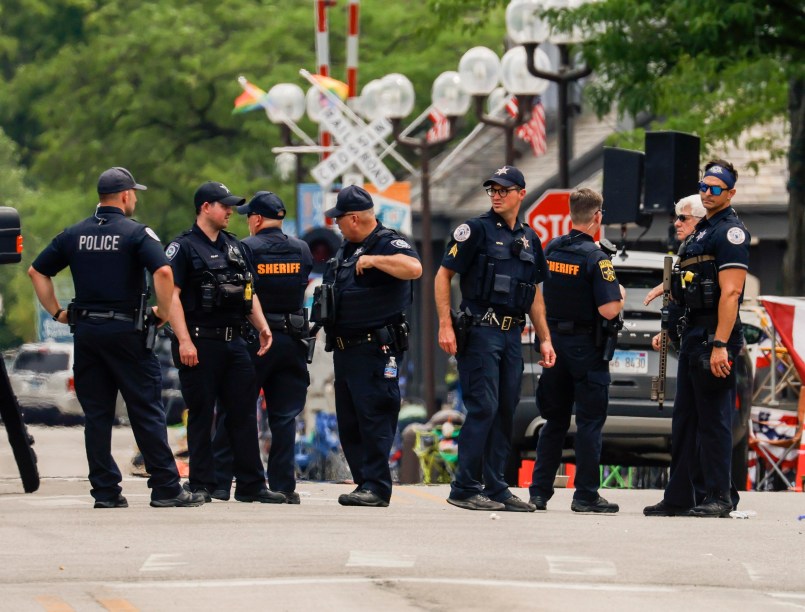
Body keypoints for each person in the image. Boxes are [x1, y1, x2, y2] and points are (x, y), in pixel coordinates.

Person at [28, 167, 205, 508]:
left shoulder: (74, 234)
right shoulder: (136, 233)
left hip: (88, 333)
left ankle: (106, 492)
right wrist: (164, 312)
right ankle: (166, 488)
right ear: (125, 196)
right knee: (145, 409)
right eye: (134, 193)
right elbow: (164, 271)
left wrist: (57, 313)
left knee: (96, 415)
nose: (135, 198)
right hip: (127, 332)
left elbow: (37, 271)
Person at [435, 165, 555, 512]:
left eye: (504, 190)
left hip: (512, 334)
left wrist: (544, 339)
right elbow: (443, 277)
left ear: (521, 193)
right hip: (481, 331)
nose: (497, 195)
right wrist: (445, 323)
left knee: (505, 410)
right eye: (493, 190)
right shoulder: (473, 230)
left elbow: (532, 292)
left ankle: (496, 486)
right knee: (483, 407)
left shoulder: (530, 239)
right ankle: (464, 486)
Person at [165, 180, 284, 504]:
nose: (230, 210)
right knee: (202, 415)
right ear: (206, 207)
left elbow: (248, 291)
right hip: (200, 344)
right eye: (224, 205)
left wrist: (261, 326)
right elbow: (170, 298)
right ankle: (202, 484)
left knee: (244, 414)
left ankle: (251, 485)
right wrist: (184, 341)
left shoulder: (234, 246)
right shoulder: (183, 247)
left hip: (234, 344)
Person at [644, 159, 750, 518]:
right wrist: (669, 324)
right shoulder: (701, 231)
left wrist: (721, 345)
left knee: (714, 421)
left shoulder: (730, 233)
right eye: (704, 186)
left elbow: (731, 294)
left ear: (730, 193)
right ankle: (679, 497)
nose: (707, 192)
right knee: (685, 421)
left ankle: (719, 496)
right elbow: (686, 284)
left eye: (715, 188)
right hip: (692, 335)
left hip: (712, 337)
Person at [314, 185, 422, 507]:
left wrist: (376, 260)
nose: (336, 225)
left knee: (375, 416)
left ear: (356, 218)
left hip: (376, 350)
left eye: (340, 218)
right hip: (346, 350)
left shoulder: (388, 242)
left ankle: (377, 486)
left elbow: (414, 269)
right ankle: (365, 482)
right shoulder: (346, 249)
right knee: (350, 421)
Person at [211, 191, 313, 503]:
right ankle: (283, 486)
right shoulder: (302, 249)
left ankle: (220, 481)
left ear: (255, 219)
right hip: (293, 339)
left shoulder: (246, 247)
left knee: (236, 409)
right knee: (284, 416)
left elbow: (241, 289)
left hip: (256, 338)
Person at [528, 187, 625, 513]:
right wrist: (621, 292)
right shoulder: (597, 259)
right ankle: (585, 495)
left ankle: (539, 493)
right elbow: (610, 309)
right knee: (588, 423)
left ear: (572, 214)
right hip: (586, 348)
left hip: (553, 344)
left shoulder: (552, 248)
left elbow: (537, 290)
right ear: (597, 217)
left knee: (553, 421)